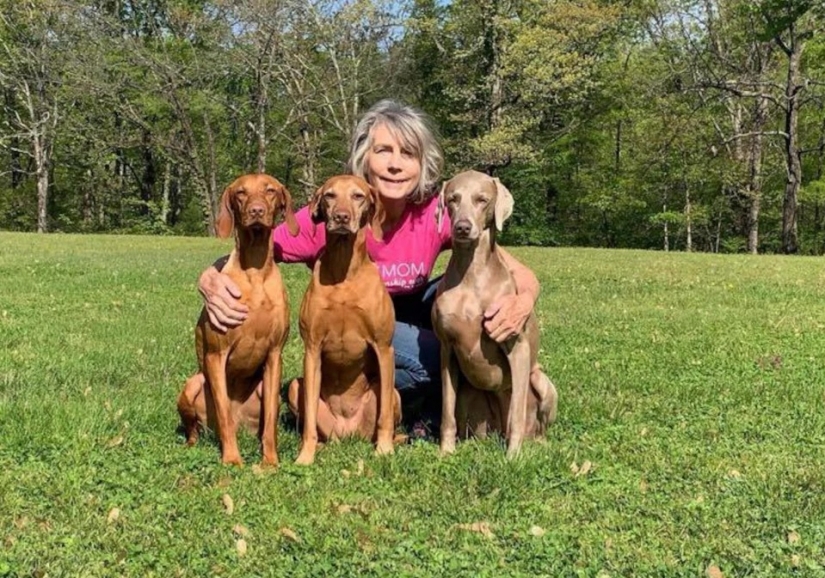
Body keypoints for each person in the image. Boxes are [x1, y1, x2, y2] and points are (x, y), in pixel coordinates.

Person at [197, 99, 541, 434]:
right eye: (383, 151)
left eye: (408, 154)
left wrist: (522, 300)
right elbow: (255, 247)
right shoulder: (335, 212)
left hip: (406, 318)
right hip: (361, 326)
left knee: (447, 295)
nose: (395, 164)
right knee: (436, 357)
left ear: (422, 164)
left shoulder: (435, 213)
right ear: (365, 158)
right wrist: (210, 279)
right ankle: (390, 404)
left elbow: (515, 270)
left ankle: (422, 403)